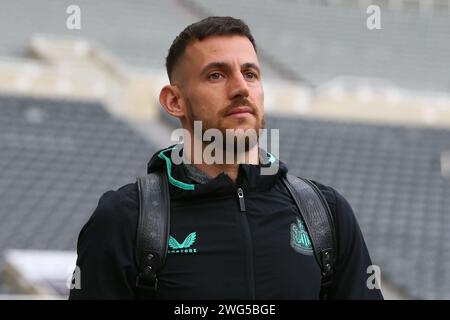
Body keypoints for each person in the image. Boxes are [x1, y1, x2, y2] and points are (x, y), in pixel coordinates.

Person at [69, 16, 383, 300]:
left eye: (251, 74)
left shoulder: (326, 214)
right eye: (217, 75)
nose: (240, 88)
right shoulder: (126, 220)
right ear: (174, 100)